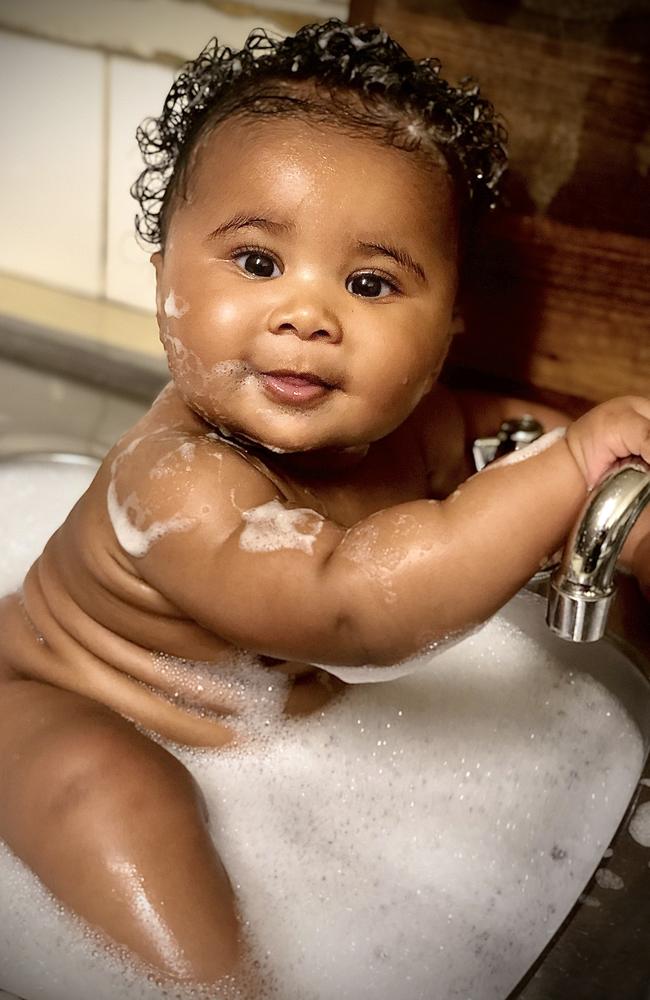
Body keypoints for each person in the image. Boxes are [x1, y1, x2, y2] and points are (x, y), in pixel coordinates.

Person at [0, 17, 648, 991]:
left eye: (369, 281)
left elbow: (507, 438)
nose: (307, 313)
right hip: (52, 703)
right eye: (257, 261)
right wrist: (568, 472)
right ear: (162, 274)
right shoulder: (175, 481)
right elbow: (350, 607)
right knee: (114, 795)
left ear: (449, 321)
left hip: (251, 728)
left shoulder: (415, 432)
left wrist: (594, 480)